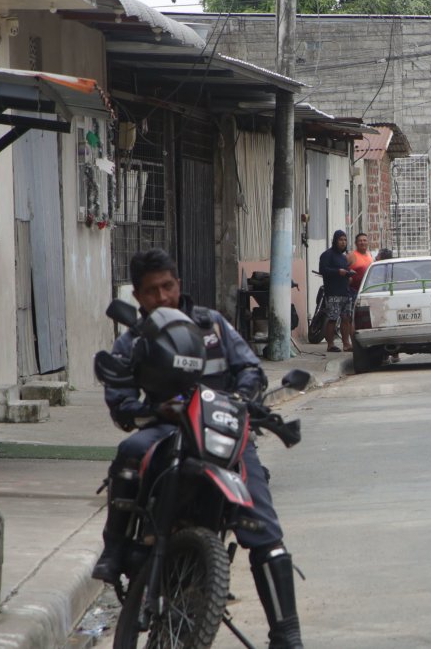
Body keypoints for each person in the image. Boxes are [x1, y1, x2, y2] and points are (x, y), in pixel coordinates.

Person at [96, 249, 303, 648]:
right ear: (138, 296)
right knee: (131, 451)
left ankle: (287, 634)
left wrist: (242, 398)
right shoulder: (134, 340)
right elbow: (121, 402)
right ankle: (116, 548)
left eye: (168, 286)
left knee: (264, 529)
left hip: (221, 429)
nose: (162, 296)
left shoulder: (214, 325)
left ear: (179, 283)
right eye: (152, 290)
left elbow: (250, 370)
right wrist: (155, 410)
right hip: (164, 431)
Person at [318, 230, 354, 352]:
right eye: (340, 240)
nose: (343, 242)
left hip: (345, 292)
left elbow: (345, 270)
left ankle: (346, 344)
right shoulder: (327, 255)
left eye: (345, 240)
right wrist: (338, 272)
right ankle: (330, 344)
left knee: (346, 319)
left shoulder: (344, 257)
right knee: (332, 318)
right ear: (335, 240)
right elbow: (323, 270)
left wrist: (349, 274)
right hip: (333, 293)